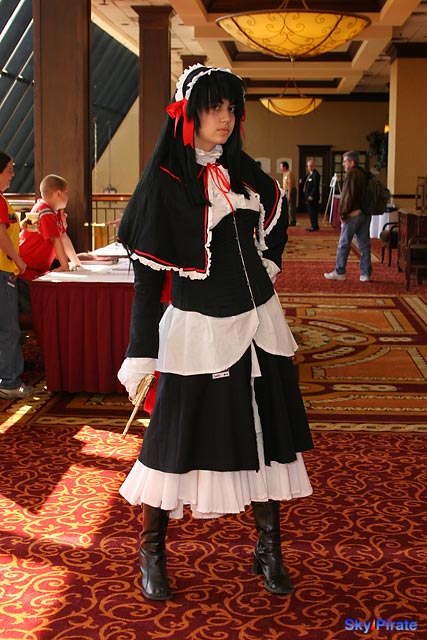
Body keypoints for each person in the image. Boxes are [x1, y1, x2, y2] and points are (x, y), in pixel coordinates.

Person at [117, 64, 313, 601]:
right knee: (173, 440)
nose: (225, 118)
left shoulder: (245, 172)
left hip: (260, 324)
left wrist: (267, 264)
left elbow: (277, 219)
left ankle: (268, 549)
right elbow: (146, 282)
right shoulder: (165, 183)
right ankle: (152, 551)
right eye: (213, 107)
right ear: (188, 113)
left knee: (266, 433)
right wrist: (141, 351)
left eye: (231, 108)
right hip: (197, 330)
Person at [17, 174, 81, 314]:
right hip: (27, 271)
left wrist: (76, 262)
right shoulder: (45, 211)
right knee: (32, 313)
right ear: (58, 193)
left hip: (37, 271)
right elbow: (56, 239)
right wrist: (65, 266)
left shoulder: (54, 212)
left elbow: (63, 236)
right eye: (66, 193)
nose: (68, 196)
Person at [0, 151, 34, 400]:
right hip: (3, 271)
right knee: (8, 329)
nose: (13, 174)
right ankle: (9, 381)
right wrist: (18, 259)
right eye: (9, 169)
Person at [324, 150, 371, 282]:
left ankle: (340, 272)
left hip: (353, 214)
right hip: (365, 214)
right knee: (364, 245)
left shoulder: (352, 174)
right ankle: (366, 273)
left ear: (352, 162)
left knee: (344, 244)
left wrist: (343, 213)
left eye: (345, 161)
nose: (343, 164)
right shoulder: (364, 174)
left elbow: (347, 196)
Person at [303, 159, 320, 231]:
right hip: (308, 196)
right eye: (308, 166)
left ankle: (314, 226)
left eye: (311, 166)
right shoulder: (309, 174)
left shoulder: (316, 174)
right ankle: (314, 225)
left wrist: (311, 195)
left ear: (314, 166)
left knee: (313, 212)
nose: (309, 167)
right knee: (311, 212)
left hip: (313, 197)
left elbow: (315, 186)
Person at [280, 161, 297, 226]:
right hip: (286, 191)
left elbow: (290, 184)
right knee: (287, 206)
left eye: (281, 167)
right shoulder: (285, 173)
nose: (280, 168)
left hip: (291, 191)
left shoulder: (289, 173)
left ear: (284, 167)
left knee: (291, 206)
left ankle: (292, 221)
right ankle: (288, 220)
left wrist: (289, 195)